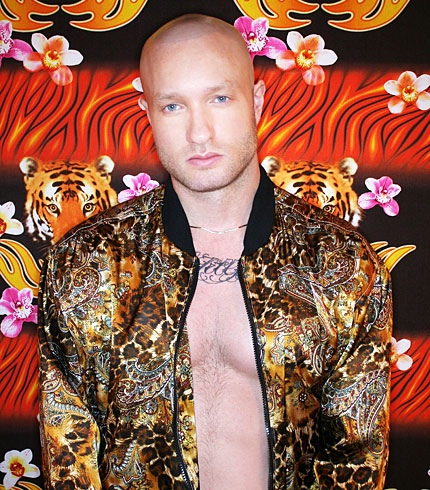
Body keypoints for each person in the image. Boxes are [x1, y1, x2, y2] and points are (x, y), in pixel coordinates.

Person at [38, 13, 392, 490]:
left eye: (219, 98)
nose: (199, 133)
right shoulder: (85, 263)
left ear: (257, 101)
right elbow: (70, 457)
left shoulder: (340, 261)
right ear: (146, 112)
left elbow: (355, 460)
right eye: (172, 106)